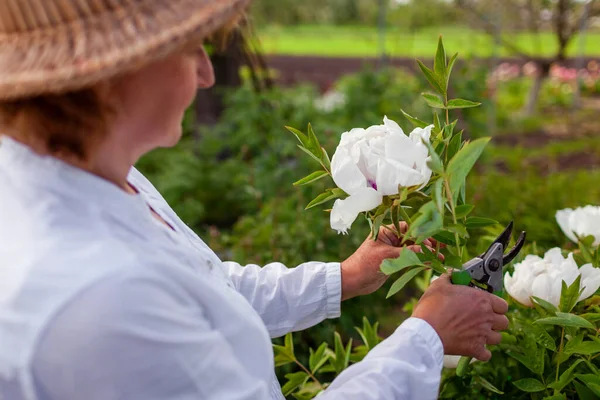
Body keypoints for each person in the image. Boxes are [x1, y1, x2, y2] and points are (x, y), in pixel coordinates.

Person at [0, 1, 509, 399]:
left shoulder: (92, 173)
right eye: (190, 47)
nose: (206, 73)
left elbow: (207, 290)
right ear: (114, 72)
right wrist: (425, 337)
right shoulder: (95, 294)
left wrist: (346, 277)